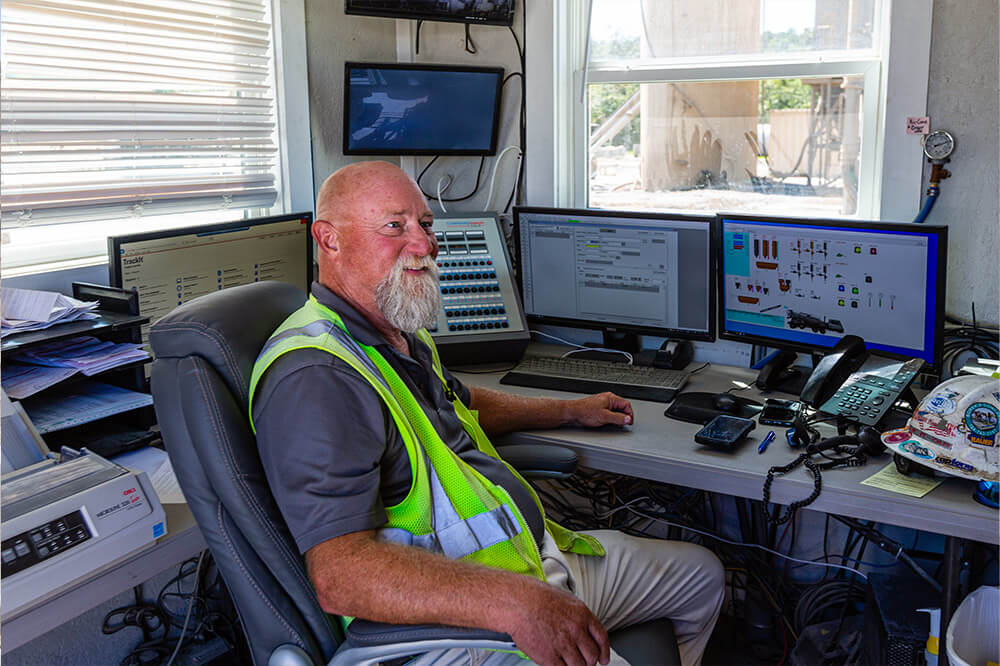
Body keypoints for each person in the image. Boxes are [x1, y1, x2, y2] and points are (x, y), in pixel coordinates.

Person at [250, 161, 724, 666]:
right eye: (394, 226)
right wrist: (517, 602)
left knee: (701, 577)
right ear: (329, 240)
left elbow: (464, 403)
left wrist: (569, 410)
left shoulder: (398, 333)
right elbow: (341, 576)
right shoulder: (318, 378)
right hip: (456, 628)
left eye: (425, 224)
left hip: (527, 566)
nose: (424, 244)